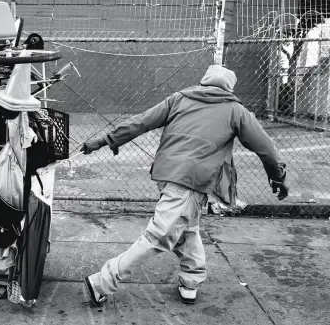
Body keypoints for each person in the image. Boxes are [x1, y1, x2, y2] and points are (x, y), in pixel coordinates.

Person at [81, 65, 289, 306]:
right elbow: (266, 148)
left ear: (204, 81)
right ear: (229, 88)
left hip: (166, 174)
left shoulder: (179, 99)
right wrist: (277, 178)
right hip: (193, 181)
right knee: (160, 236)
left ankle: (192, 279)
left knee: (187, 226)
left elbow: (142, 122)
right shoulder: (236, 110)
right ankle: (102, 282)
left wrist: (106, 139)